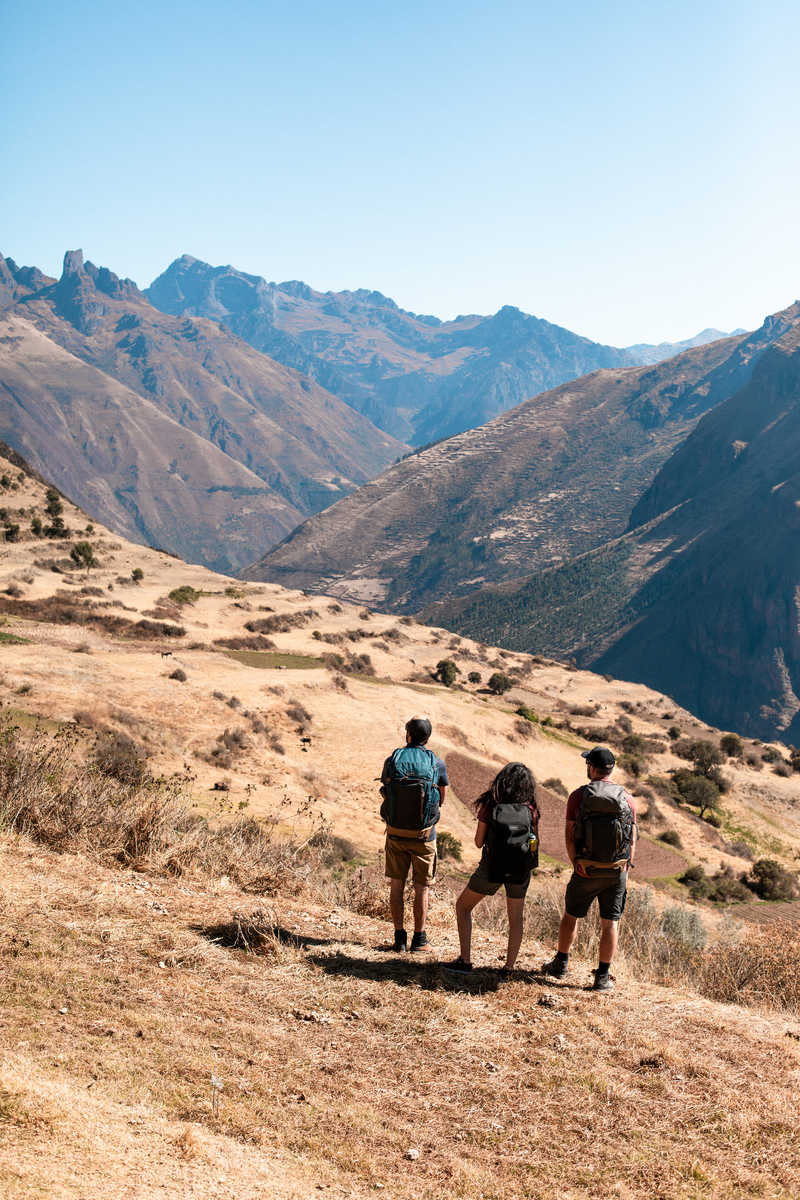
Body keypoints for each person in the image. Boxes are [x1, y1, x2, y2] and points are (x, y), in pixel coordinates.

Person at [542, 746, 637, 991]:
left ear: (592, 768)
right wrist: (625, 868)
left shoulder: (578, 796)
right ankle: (602, 977)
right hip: (616, 871)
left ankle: (560, 965)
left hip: (586, 869)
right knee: (610, 923)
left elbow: (570, 836)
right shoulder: (628, 799)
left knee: (571, 916)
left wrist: (577, 864)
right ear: (611, 769)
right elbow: (631, 839)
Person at [445, 762, 539, 975]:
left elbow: (479, 842)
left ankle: (465, 961)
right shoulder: (531, 808)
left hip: (491, 867)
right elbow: (534, 842)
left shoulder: (491, 803)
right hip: (520, 869)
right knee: (515, 917)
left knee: (463, 907)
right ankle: (508, 968)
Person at [380, 717, 449, 952]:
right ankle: (419, 940)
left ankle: (399, 938)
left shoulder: (393, 760)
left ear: (408, 735)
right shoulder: (436, 763)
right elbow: (441, 799)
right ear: (427, 738)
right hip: (424, 835)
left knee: (396, 885)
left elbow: (386, 791)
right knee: (422, 888)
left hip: (395, 834)